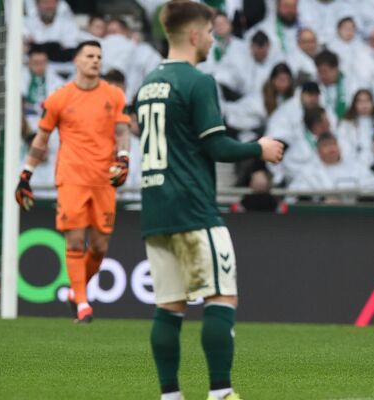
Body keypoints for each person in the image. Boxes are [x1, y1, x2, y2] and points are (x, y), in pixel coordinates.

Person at [136, 3, 284, 400]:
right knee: (221, 297)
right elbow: (215, 144)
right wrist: (260, 147)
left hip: (155, 208)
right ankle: (220, 392)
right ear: (195, 35)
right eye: (209, 32)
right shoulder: (199, 81)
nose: (213, 39)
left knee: (169, 305)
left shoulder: (148, 83)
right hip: (193, 207)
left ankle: (170, 395)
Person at [14, 40, 131, 324]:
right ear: (76, 61)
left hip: (104, 179)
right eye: (89, 56)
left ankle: (75, 293)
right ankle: (82, 303)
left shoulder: (113, 95)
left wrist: (124, 158)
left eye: (99, 56)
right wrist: (26, 173)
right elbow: (41, 140)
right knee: (76, 240)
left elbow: (122, 131)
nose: (95, 61)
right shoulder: (59, 98)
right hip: (71, 177)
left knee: (100, 246)